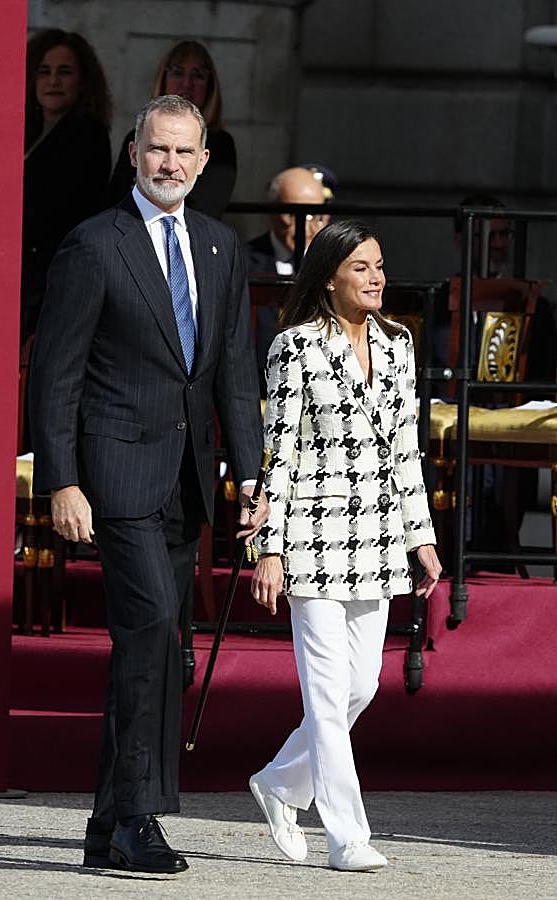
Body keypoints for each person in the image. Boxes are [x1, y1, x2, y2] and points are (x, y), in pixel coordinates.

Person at [28, 94, 267, 875]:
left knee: (157, 644)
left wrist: (256, 474)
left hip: (188, 483)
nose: (169, 164)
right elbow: (54, 377)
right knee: (155, 633)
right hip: (116, 477)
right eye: (156, 150)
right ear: (134, 154)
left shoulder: (223, 248)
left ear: (203, 162)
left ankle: (106, 825)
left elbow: (234, 374)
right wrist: (61, 480)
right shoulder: (95, 245)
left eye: (183, 153)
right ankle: (137, 816)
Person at [248, 220, 442, 872]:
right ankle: (348, 836)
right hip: (311, 538)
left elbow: (407, 450)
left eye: (380, 266)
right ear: (330, 275)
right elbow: (280, 456)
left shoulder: (398, 345)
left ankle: (281, 783)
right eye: (361, 267)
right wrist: (268, 548)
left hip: (377, 540)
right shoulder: (293, 348)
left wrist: (422, 536)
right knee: (328, 696)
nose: (376, 278)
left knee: (363, 686)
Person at [21, 28, 112, 342]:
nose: (53, 81)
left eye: (65, 72)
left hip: (53, 282)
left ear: (83, 81)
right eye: (44, 71)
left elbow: (59, 209)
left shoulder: (86, 134)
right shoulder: (26, 132)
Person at [108, 40, 236, 218]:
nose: (186, 83)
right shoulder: (137, 135)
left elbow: (206, 209)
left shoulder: (221, 144)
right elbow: (115, 198)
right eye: (177, 72)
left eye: (198, 75)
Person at [245, 167, 328, 396]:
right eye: (293, 214)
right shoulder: (243, 262)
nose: (307, 225)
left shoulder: (337, 264)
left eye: (316, 215)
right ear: (273, 212)